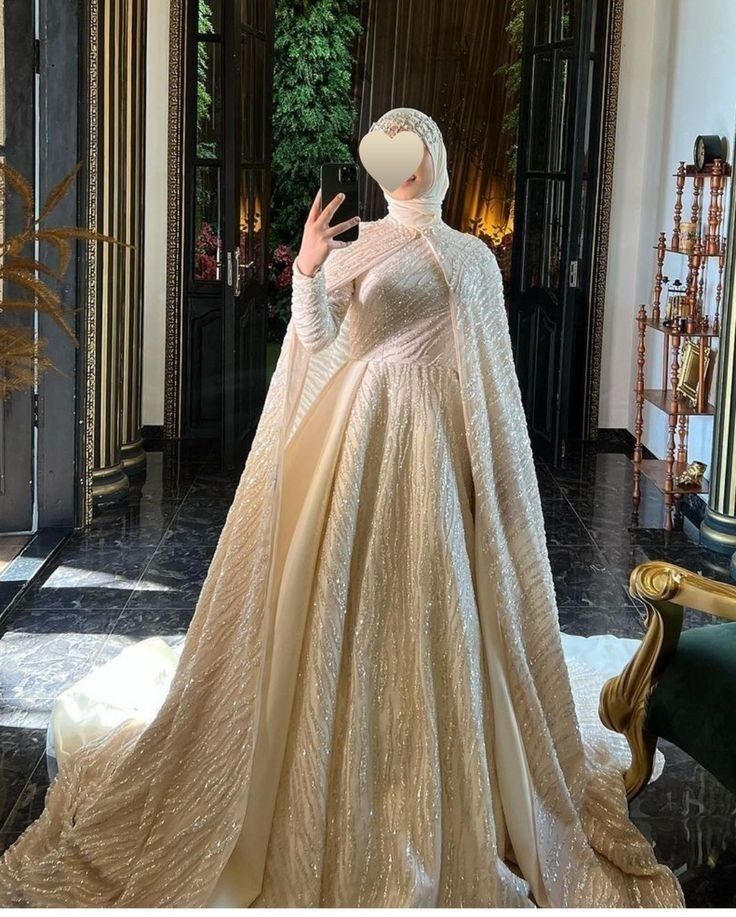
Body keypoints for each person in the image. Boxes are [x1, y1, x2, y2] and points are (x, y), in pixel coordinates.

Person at [0, 107, 684, 907]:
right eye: (387, 151)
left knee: (434, 600)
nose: (402, 165)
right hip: (358, 437)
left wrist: (490, 472)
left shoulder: (473, 259)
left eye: (412, 147)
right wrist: (308, 268)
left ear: (432, 157)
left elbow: (492, 380)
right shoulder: (361, 245)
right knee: (338, 591)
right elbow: (317, 339)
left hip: (434, 448)